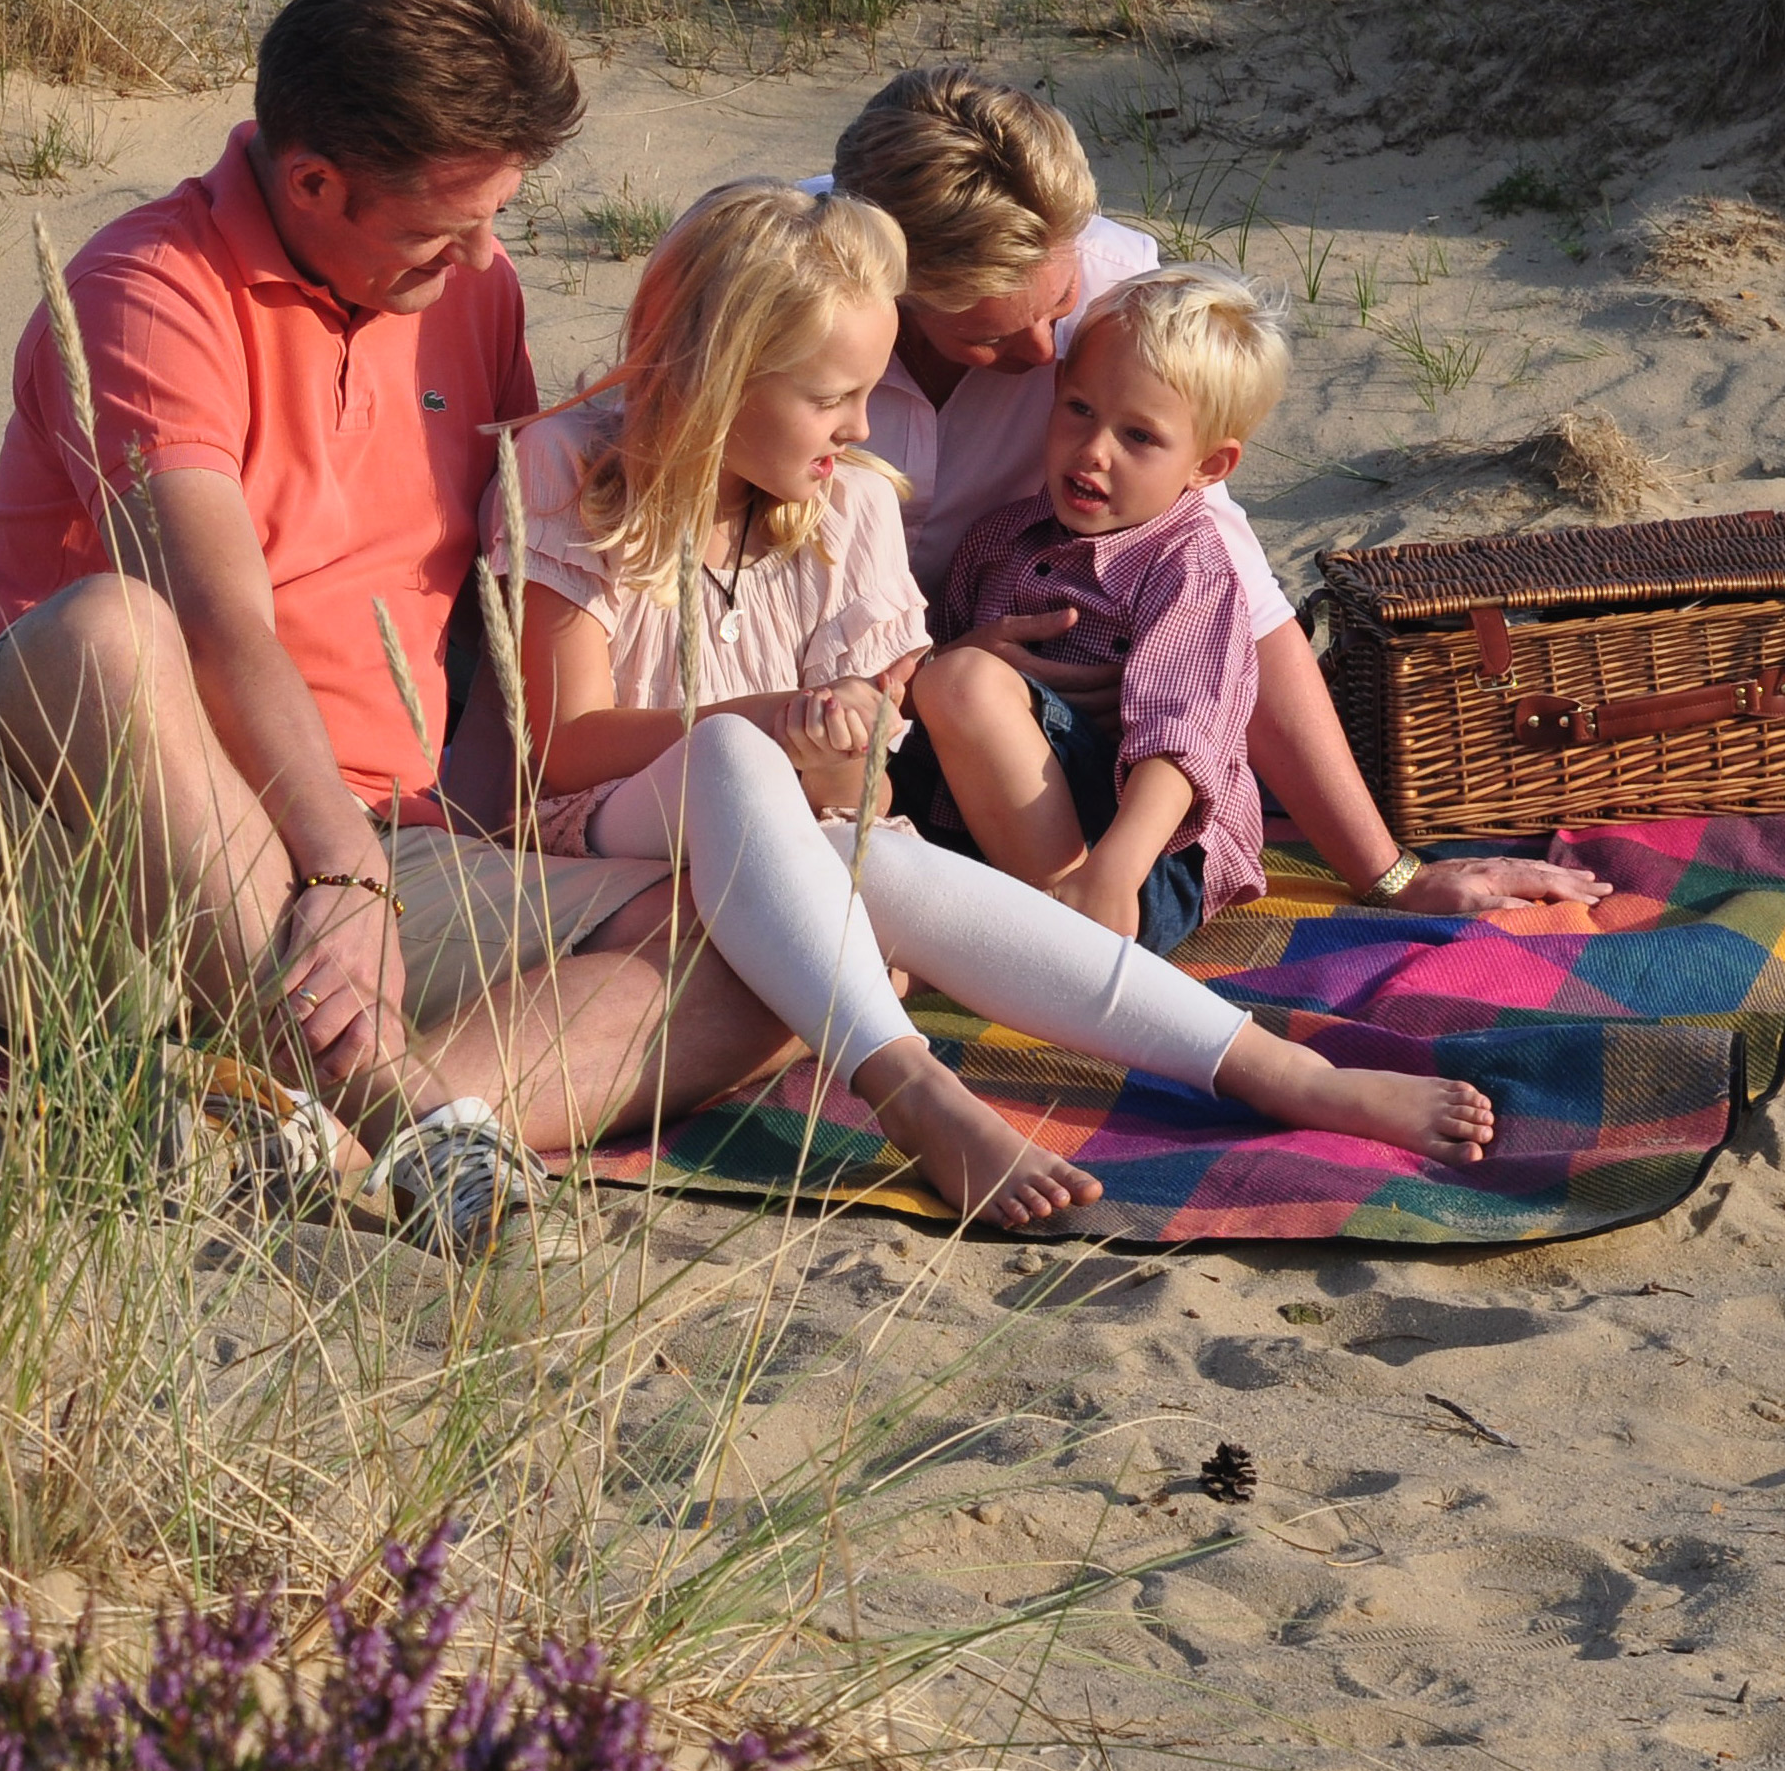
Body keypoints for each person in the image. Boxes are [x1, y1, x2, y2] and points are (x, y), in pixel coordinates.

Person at [0, 0, 808, 1259]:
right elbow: (215, 624)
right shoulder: (147, 291)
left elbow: (503, 587)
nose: (482, 256)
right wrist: (340, 871)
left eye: (495, 216)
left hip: (383, 835)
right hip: (111, 833)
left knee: (770, 943)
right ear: (314, 181)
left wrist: (489, 831)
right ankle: (405, 1118)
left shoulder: (470, 291)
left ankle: (307, 1126)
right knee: (109, 633)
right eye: (444, 227)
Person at [493, 186, 1490, 1225]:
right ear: (723, 375)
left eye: (868, 392)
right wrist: (777, 720)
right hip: (613, 818)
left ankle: (1283, 1073)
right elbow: (563, 751)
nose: (863, 425)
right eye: (834, 396)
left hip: (797, 841)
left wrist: (843, 749)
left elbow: (877, 793)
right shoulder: (572, 468)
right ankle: (918, 1093)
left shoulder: (850, 498)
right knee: (739, 758)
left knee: (864, 855)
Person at [825, 69, 1612, 918]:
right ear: (890, 293)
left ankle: (1070, 933)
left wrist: (1390, 874)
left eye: (1056, 307)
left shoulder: (1125, 311)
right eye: (987, 336)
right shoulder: (785, 289)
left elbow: (1239, 614)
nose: (1043, 355)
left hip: (1106, 806)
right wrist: (941, 669)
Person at [914, 266, 1283, 954]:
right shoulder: (999, 540)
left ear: (1208, 465)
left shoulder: (1187, 568)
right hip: (986, 828)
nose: (1093, 452)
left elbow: (1182, 737)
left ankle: (1071, 940)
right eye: (1080, 409)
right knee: (929, 688)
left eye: (1139, 437)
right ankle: (986, 925)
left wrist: (1116, 871)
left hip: (1141, 858)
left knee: (962, 681)